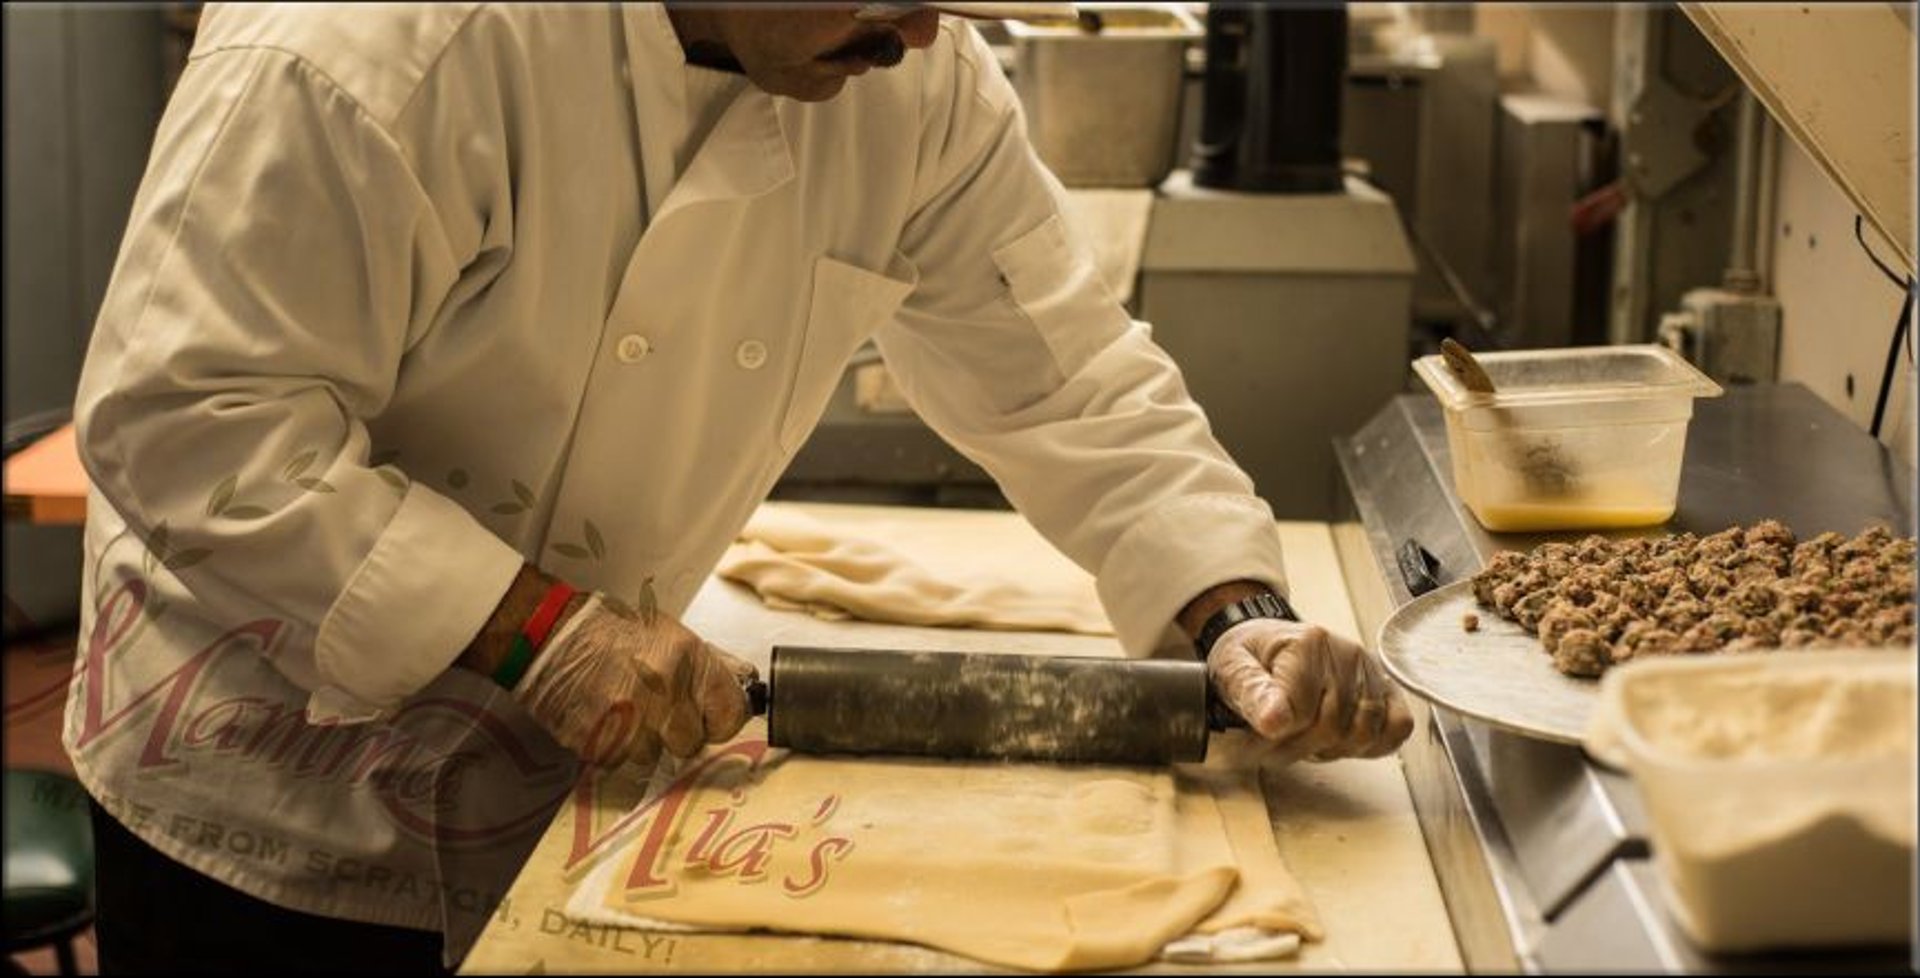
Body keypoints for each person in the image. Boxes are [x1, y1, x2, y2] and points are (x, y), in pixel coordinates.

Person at [66, 2, 1415, 973]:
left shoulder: (909, 79)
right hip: (268, 787)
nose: (927, 32)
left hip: (577, 794)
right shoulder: (381, 44)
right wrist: (539, 627)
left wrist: (1233, 616)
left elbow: (1071, 378)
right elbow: (189, 417)